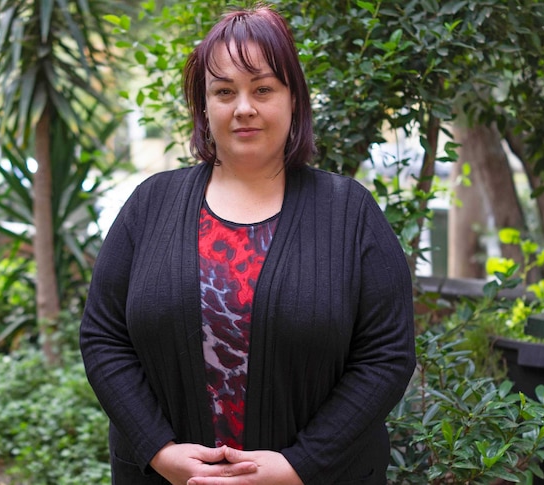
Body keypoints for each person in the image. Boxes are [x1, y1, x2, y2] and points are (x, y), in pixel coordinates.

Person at [80, 5, 416, 484]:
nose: (243, 108)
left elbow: (387, 354)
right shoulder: (150, 204)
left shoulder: (350, 213)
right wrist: (159, 450)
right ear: (203, 106)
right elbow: (102, 338)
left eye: (262, 89)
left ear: (293, 99)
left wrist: (301, 464)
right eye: (223, 91)